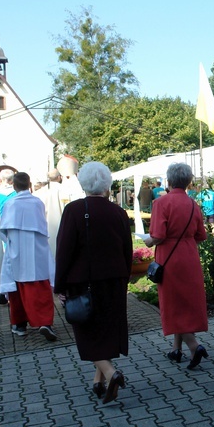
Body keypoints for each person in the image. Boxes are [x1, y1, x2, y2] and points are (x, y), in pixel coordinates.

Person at [55, 162, 132, 404]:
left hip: (82, 282)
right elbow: (127, 250)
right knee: (107, 330)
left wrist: (59, 286)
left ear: (82, 183)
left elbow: (64, 251)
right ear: (107, 184)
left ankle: (111, 373)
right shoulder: (118, 212)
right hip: (114, 280)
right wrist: (125, 278)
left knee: (87, 333)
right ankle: (99, 381)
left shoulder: (74, 210)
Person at [144, 163, 210, 369]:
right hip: (189, 256)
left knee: (173, 304)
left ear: (169, 181)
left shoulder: (161, 203)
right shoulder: (193, 204)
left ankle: (193, 345)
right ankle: (176, 349)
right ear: (188, 181)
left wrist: (148, 241)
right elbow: (202, 235)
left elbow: (158, 236)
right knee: (184, 303)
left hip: (169, 258)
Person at [0, 172, 57, 341]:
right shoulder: (37, 203)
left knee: (16, 288)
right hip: (36, 251)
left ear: (14, 186)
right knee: (40, 286)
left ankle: (20, 325)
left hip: (16, 251)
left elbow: (3, 230)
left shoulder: (10, 204)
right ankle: (45, 323)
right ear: (29, 185)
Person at [33, 169, 66, 262]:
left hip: (45, 229)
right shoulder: (66, 191)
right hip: (63, 227)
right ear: (59, 177)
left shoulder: (39, 193)